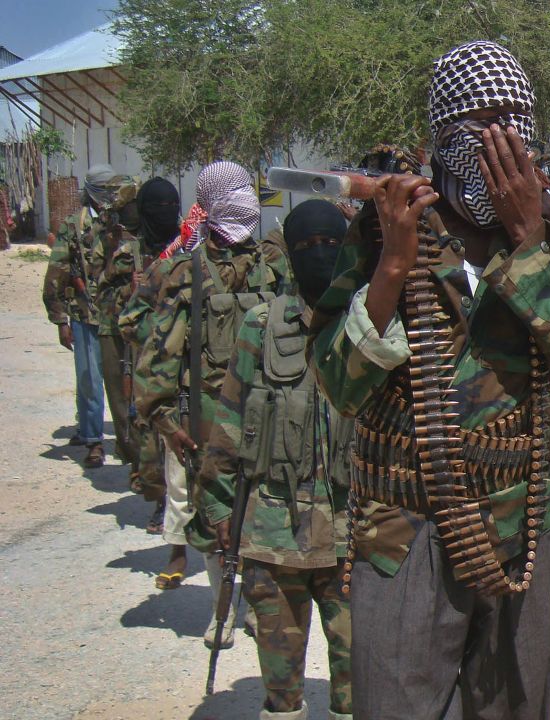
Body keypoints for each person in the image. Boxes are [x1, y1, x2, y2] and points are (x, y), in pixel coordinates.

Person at [309, 40, 550, 719]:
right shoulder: (389, 224)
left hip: (518, 523)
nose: (502, 139)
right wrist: (392, 266)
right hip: (404, 525)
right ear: (443, 130)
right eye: (483, 119)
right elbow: (338, 385)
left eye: (517, 120)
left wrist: (529, 243)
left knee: (515, 702)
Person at [199, 199, 353, 720]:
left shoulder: (369, 323)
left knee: (358, 684)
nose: (319, 256)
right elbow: (228, 420)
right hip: (271, 532)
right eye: (306, 247)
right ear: (288, 254)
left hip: (352, 536)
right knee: (281, 690)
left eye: (331, 245)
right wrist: (219, 510)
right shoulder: (260, 326)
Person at [128, 161, 290, 635]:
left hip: (268, 407)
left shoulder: (273, 264)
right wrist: (165, 418)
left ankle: (260, 609)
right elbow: (137, 329)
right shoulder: (180, 269)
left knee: (266, 508)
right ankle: (223, 608)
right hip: (203, 414)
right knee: (211, 512)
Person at [42, 165, 125, 468]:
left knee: (123, 378)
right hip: (86, 314)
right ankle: (92, 440)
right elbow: (58, 271)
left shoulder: (124, 220)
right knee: (90, 378)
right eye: (106, 190)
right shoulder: (73, 226)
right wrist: (61, 319)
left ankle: (128, 439)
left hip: (120, 315)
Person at [116, 177, 183, 531]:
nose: (165, 214)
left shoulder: (188, 246)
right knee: (148, 430)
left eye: (170, 206)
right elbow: (114, 307)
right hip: (144, 354)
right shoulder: (130, 253)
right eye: (157, 208)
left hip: (184, 355)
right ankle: (159, 501)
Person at [90, 171, 143, 473]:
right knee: (119, 395)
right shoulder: (107, 240)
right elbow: (98, 285)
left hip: (146, 328)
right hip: (113, 326)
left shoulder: (157, 234)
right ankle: (133, 456)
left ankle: (144, 463)